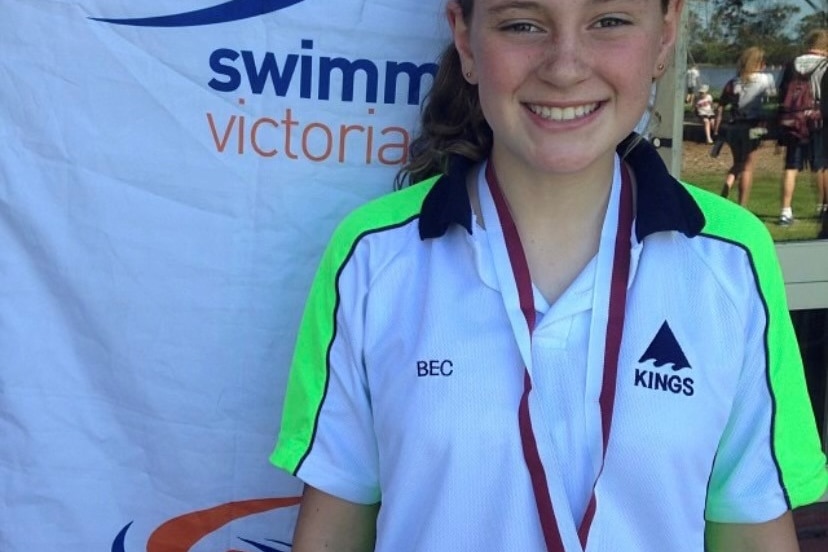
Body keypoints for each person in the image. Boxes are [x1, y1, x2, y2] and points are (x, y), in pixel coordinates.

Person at [272, 1, 828, 551]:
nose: (564, 68)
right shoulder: (371, 256)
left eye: (608, 22)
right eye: (522, 25)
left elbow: (754, 532)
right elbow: (332, 534)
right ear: (465, 40)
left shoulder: (732, 260)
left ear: (665, 36)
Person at [778, 29, 828, 226]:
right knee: (823, 166)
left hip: (794, 121)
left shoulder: (792, 64)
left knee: (791, 166)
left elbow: (783, 93)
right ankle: (824, 207)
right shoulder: (825, 64)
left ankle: (785, 211)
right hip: (820, 120)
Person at [714, 46, 776, 206]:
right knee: (748, 166)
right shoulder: (766, 79)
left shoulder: (733, 82)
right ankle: (743, 205)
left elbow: (721, 104)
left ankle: (726, 187)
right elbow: (772, 102)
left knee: (738, 163)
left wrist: (717, 127)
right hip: (753, 126)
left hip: (734, 127)